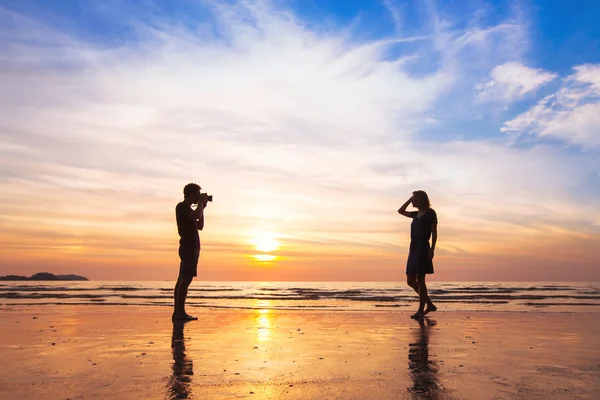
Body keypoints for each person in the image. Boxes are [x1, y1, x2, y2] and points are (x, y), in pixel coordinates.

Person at [398, 190, 438, 318]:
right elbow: (400, 211)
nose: (413, 201)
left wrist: (432, 248)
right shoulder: (416, 214)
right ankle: (429, 305)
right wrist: (410, 199)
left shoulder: (430, 213)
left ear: (421, 199)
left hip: (423, 247)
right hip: (413, 248)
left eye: (415, 199)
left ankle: (421, 310)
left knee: (420, 279)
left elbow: (434, 232)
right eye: (412, 199)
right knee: (410, 280)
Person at [173, 183, 208, 321]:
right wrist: (200, 204)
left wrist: (203, 208)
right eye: (197, 194)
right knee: (185, 280)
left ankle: (178, 313)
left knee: (182, 279)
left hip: (192, 247)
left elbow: (200, 225)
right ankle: (179, 313)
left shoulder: (190, 210)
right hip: (188, 247)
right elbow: (195, 216)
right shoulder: (181, 207)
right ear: (191, 194)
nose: (199, 197)